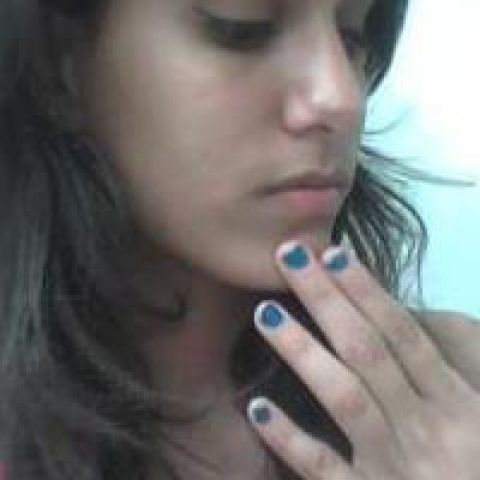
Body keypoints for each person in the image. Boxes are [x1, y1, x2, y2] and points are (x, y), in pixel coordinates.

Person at [0, 0, 478, 479]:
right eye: (243, 30)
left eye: (354, 36)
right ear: (59, 65)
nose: (341, 98)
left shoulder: (457, 389)